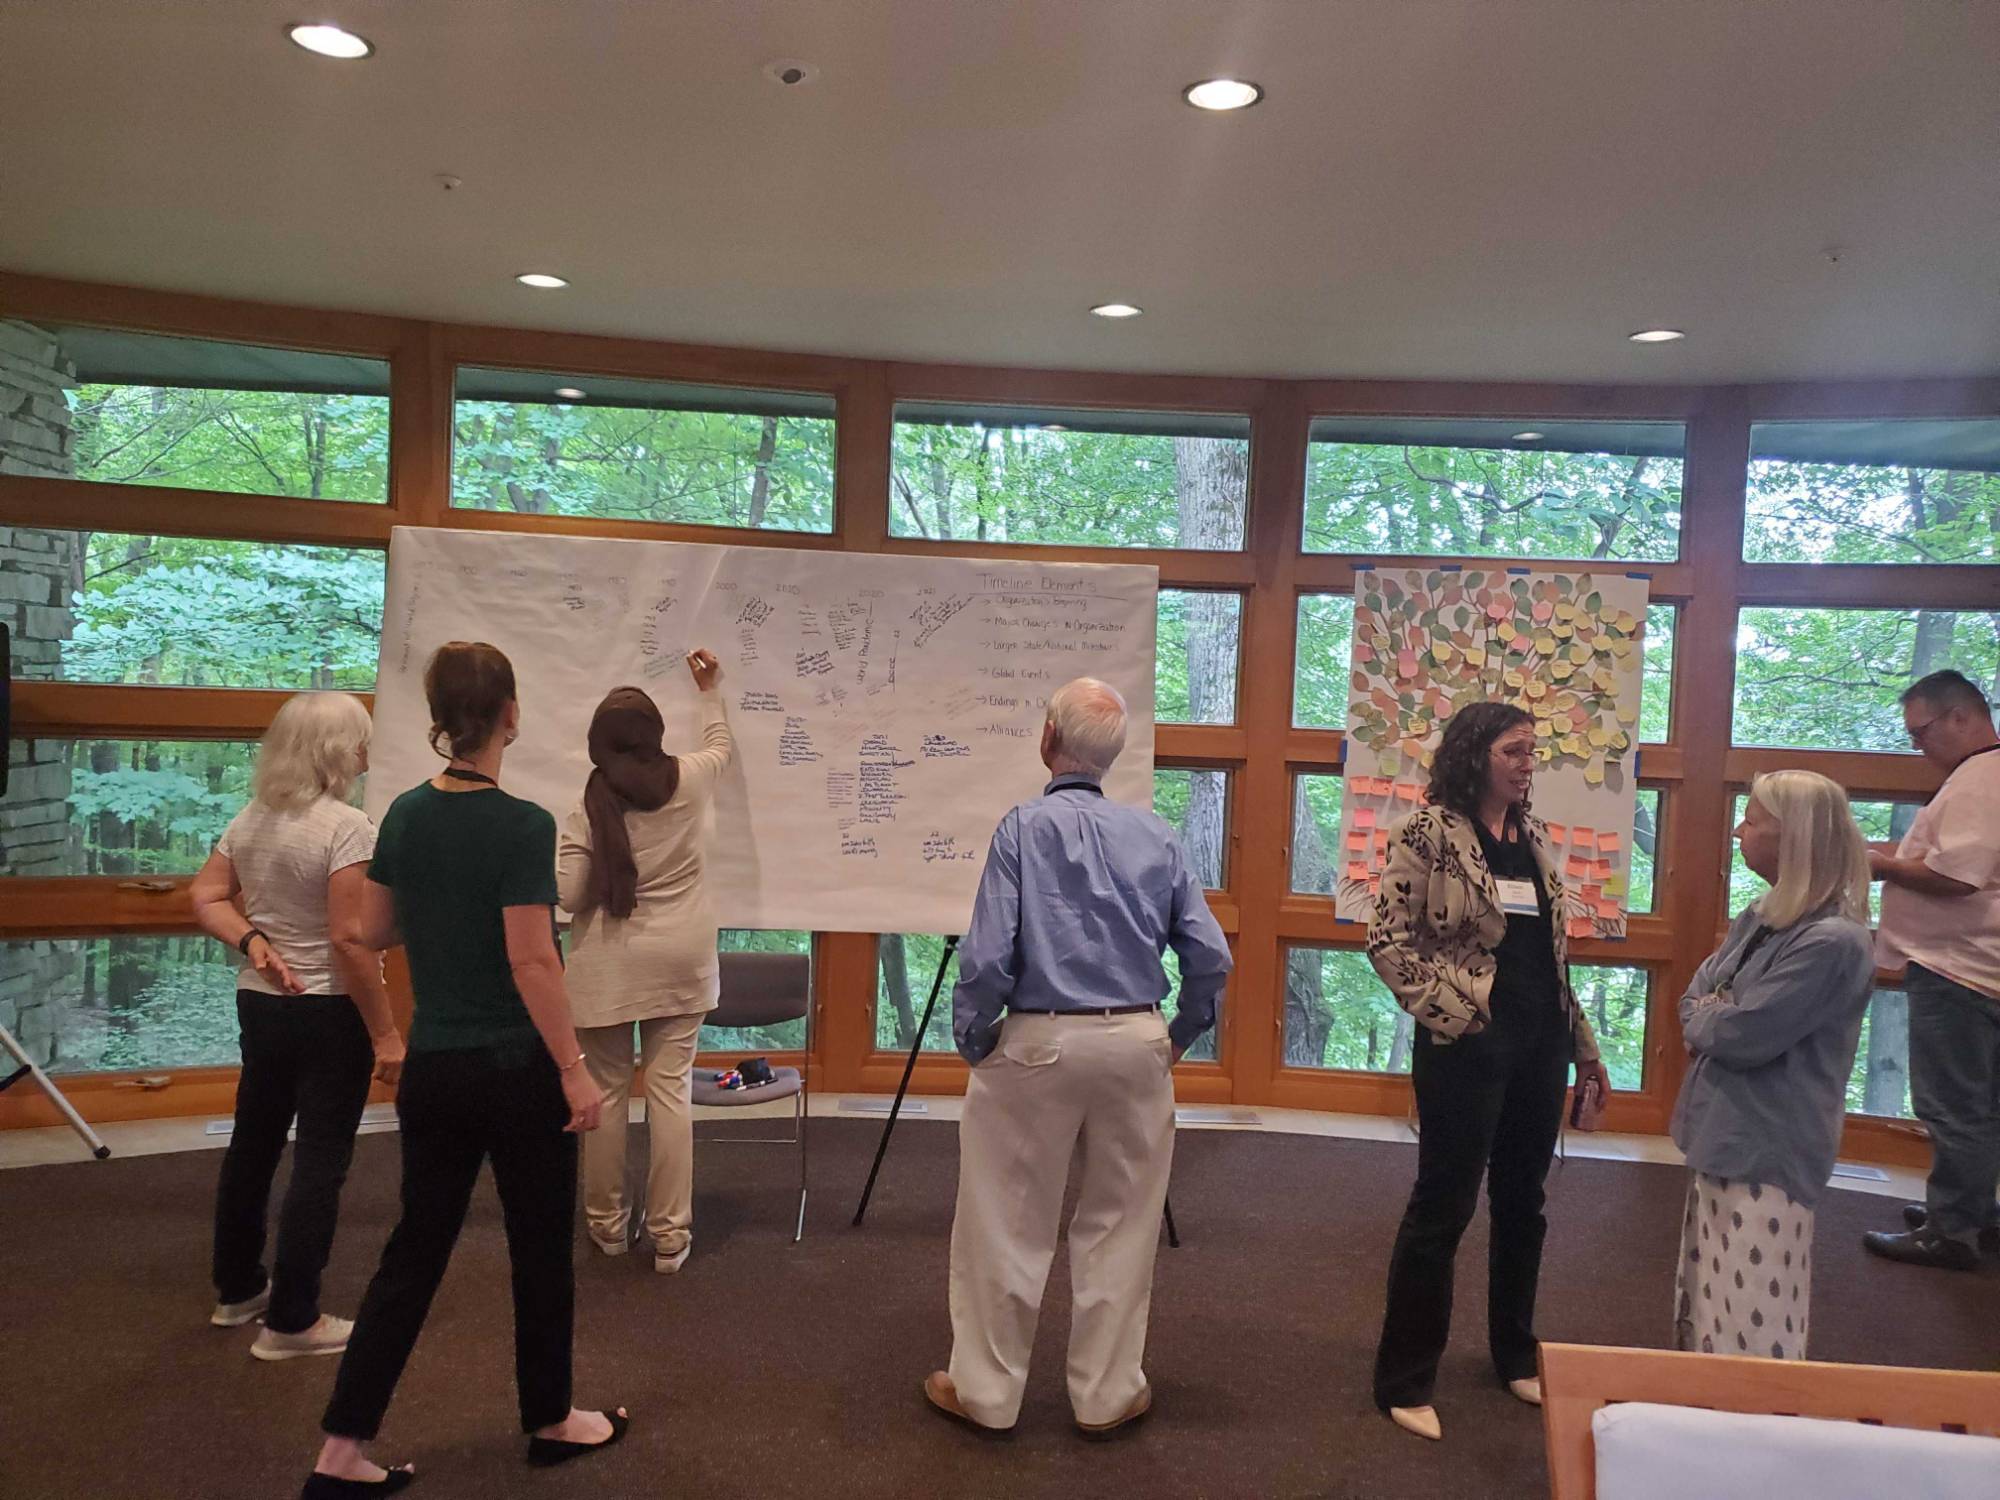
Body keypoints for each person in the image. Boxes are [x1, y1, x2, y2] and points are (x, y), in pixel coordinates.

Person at [303, 642, 625, 1498]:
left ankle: (340, 1451)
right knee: (538, 1248)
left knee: (413, 1253)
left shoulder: (403, 814)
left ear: (441, 718)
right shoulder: (523, 825)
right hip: (516, 1068)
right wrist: (576, 1071)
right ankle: (551, 1420)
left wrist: (444, 915)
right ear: (510, 715)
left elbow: (373, 930)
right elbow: (532, 962)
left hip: (435, 1070)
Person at [923, 677, 1232, 1437]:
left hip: (1038, 1041)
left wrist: (974, 1040)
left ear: (1046, 740)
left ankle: (988, 1395)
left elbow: (989, 957)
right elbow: (1211, 957)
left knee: (1005, 1219)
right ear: (1112, 757)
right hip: (1135, 1041)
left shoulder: (1021, 828)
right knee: (1122, 1223)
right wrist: (1179, 1036)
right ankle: (1105, 1395)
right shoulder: (1158, 836)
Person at [1366, 701, 1614, 1443]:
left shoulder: (1532, 838)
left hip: (1539, 1047)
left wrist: (1587, 1049)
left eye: (1531, 750)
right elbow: (1387, 941)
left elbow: (1551, 959)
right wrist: (1458, 1012)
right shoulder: (1428, 834)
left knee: (1523, 1204)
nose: (1526, 762)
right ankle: (1404, 1379)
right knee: (1442, 1209)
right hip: (1466, 1048)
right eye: (1513, 750)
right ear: (1475, 756)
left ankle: (1514, 1353)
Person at [190, 692, 404, 1362]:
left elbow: (204, 896)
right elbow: (348, 940)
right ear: (338, 751)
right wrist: (387, 1034)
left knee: (253, 1144)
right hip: (325, 1011)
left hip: (261, 1005)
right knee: (319, 1158)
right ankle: (293, 1320)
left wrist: (252, 941)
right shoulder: (347, 828)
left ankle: (238, 1291)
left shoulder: (252, 819)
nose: (367, 754)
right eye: (361, 742)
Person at [1671, 771, 1874, 1358]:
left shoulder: (1834, 941)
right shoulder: (1764, 914)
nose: (1739, 831)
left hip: (1770, 1150)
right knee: (1707, 1305)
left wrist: (1711, 1015)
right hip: (1723, 1134)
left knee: (1754, 1325)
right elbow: (1698, 996)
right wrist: (1712, 1012)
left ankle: (1752, 1437)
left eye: (1752, 820)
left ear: (1795, 837)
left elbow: (1742, 1033)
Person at [559, 652, 732, 1273]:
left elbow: (572, 894)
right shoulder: (691, 778)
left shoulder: (589, 803)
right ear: (656, 735)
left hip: (608, 966)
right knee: (670, 1093)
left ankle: (608, 1228)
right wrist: (709, 689)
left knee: (604, 1095)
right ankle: (670, 1236)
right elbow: (720, 744)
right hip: (681, 961)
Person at [1862, 669, 2000, 1271]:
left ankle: (1952, 1231)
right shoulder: (1981, 779)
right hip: (1977, 967)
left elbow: (1956, 877)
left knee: (1954, 1107)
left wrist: (1880, 865)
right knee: (1982, 1105)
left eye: (1920, 733)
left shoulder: (1979, 779)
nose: (1918, 748)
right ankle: (1972, 1211)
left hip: (1960, 970)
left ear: (1960, 717)